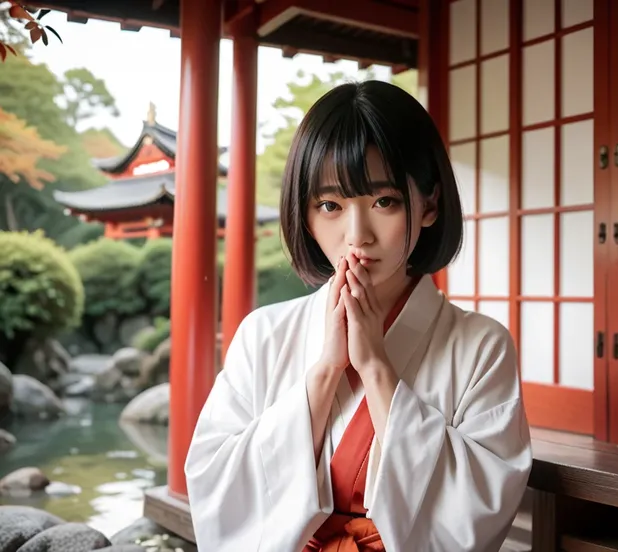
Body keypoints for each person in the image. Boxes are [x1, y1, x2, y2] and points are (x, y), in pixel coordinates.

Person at [184, 80, 533, 552]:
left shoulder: (481, 346)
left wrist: (375, 368)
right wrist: (325, 372)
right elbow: (213, 482)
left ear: (429, 204)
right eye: (329, 205)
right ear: (304, 215)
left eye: (383, 202)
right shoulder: (262, 335)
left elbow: (480, 506)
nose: (356, 235)